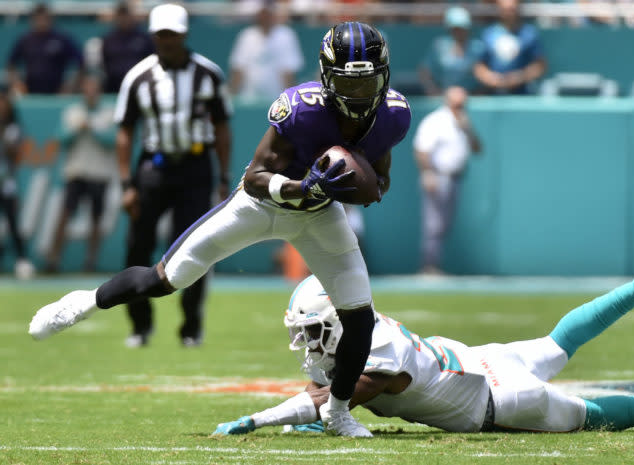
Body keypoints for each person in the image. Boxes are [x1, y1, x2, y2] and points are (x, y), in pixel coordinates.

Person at [28, 20, 411, 438]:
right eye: (347, 84)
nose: (358, 95)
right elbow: (255, 177)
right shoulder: (303, 108)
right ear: (326, 75)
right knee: (166, 278)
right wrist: (302, 186)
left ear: (383, 76)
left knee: (360, 318)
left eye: (366, 84)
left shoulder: (392, 115)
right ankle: (84, 302)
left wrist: (364, 188)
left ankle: (337, 412)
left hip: (319, 215)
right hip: (262, 205)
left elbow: (381, 177)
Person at [211, 239, 634, 436]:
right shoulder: (369, 328)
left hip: (500, 400)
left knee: (589, 415)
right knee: (556, 343)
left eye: (314, 330)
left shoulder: (374, 354)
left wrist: (260, 418)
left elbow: (330, 400)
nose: (308, 342)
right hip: (477, 360)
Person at [112, 4, 232, 348]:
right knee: (138, 247)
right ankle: (140, 325)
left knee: (195, 250)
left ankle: (191, 327)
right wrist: (126, 184)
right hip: (153, 168)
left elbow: (222, 127)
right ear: (153, 35)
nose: (167, 40)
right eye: (161, 34)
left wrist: (223, 175)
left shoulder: (208, 74)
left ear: (184, 34)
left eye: (173, 34)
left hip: (196, 168)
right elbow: (125, 131)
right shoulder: (139, 76)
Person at [44, 75, 116, 273]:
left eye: (94, 89)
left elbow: (113, 141)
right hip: (76, 172)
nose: (90, 93)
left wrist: (92, 128)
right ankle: (53, 260)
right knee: (65, 216)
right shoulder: (73, 112)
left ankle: (91, 262)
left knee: (96, 219)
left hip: (99, 173)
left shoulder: (108, 113)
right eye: (87, 89)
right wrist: (77, 128)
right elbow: (61, 138)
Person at [414, 86, 481, 275]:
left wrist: (468, 129)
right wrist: (428, 173)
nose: (460, 108)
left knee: (445, 224)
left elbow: (477, 148)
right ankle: (429, 267)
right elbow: (421, 149)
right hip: (438, 176)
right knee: (434, 224)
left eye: (463, 105)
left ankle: (434, 264)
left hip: (455, 178)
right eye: (457, 104)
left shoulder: (463, 124)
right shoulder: (436, 121)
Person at [228, 0, 304, 100]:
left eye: (268, 14)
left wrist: (289, 100)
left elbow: (288, 73)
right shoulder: (246, 36)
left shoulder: (286, 36)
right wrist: (232, 96)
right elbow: (238, 69)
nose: (265, 17)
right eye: (262, 13)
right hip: (249, 100)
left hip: (278, 100)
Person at [5, 3, 83, 95]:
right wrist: (17, 84)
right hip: (30, 91)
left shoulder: (62, 39)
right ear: (32, 20)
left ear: (51, 19)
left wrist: (70, 86)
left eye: (45, 18)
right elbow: (11, 64)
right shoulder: (25, 40)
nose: (42, 22)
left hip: (57, 92)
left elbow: (81, 63)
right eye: (38, 19)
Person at [473, 0, 547, 95]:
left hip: (522, 94)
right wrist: (491, 79)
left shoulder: (529, 33)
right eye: (505, 9)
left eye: (512, 9)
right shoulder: (488, 34)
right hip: (493, 95)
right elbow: (479, 66)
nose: (509, 13)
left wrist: (520, 77)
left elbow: (540, 65)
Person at [0, 88, 34, 279]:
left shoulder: (13, 128)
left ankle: (22, 260)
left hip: (6, 184)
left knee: (13, 223)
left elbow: (15, 154)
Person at [417, 6, 485, 96]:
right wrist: (434, 91)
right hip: (444, 98)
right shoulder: (439, 46)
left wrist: (479, 95)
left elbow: (486, 77)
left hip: (473, 98)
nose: (459, 32)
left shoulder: (478, 48)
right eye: (455, 29)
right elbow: (424, 72)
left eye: (462, 28)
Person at [98, 2, 155, 94]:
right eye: (121, 15)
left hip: (140, 86)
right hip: (114, 87)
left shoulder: (144, 39)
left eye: (126, 15)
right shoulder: (108, 40)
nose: (124, 19)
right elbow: (103, 64)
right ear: (117, 17)